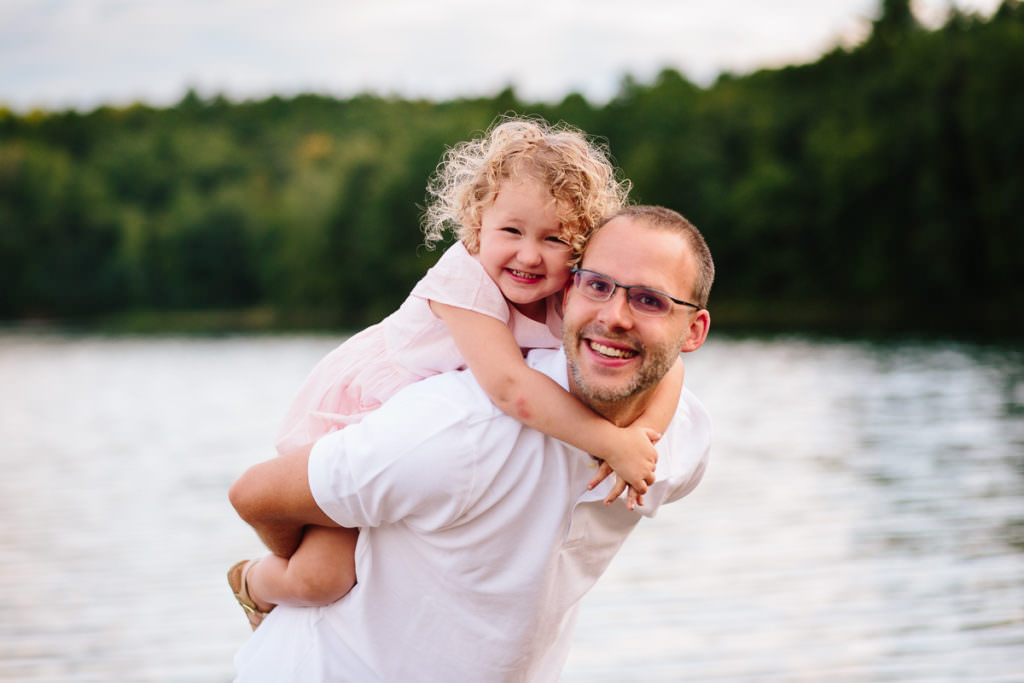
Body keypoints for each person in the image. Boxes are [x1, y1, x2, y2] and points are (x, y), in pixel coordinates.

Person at [227, 117, 681, 630]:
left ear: (579, 250)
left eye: (555, 239)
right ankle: (254, 581)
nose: (529, 255)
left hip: (436, 450)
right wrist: (609, 441)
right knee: (324, 577)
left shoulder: (572, 293)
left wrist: (644, 437)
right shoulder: (462, 278)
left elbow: (670, 369)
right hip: (369, 405)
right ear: (477, 224)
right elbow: (510, 388)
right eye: (510, 231)